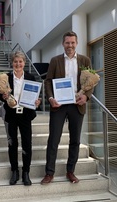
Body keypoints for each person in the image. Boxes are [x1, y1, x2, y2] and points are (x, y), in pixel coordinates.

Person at [41, 31, 94, 184]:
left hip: (77, 105)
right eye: (67, 43)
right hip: (59, 105)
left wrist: (86, 96)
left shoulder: (85, 60)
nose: (70, 45)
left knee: (75, 140)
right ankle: (49, 173)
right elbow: (48, 81)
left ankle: (70, 171)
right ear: (63, 44)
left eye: (72, 43)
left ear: (76, 43)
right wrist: (50, 98)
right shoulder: (55, 60)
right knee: (53, 139)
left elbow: (91, 82)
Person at [0, 51, 41, 186]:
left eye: (21, 61)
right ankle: (14, 171)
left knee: (27, 143)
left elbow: (35, 96)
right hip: (11, 115)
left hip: (25, 115)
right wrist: (3, 97)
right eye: (16, 61)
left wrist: (37, 102)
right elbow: (1, 96)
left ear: (24, 63)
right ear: (12, 63)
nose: (18, 64)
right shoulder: (6, 77)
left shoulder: (30, 77)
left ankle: (26, 172)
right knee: (12, 144)